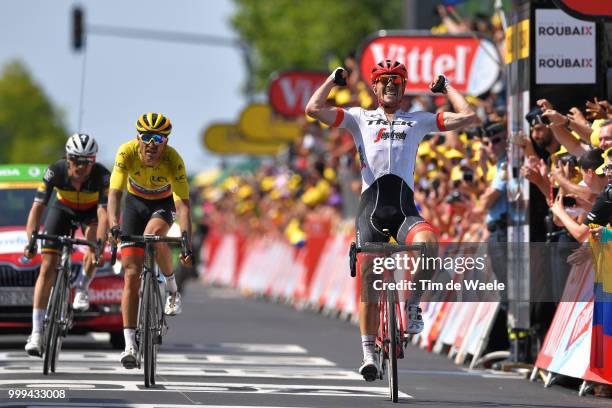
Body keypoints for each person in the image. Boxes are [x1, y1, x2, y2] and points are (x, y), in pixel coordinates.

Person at [305, 60, 475, 380]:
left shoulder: (418, 121)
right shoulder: (359, 118)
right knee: (370, 278)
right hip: (371, 211)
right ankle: (368, 353)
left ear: (404, 86)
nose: (390, 86)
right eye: (383, 81)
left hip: (404, 213)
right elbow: (313, 109)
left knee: (429, 244)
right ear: (374, 87)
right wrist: (332, 79)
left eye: (396, 80)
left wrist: (447, 87)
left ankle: (411, 306)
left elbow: (468, 116)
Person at [107, 112, 193, 368]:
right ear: (138, 137)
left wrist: (186, 239)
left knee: (153, 237)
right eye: (146, 137)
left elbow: (184, 206)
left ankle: (171, 287)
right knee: (131, 275)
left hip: (163, 204)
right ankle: (129, 344)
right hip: (134, 204)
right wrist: (113, 225)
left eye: (159, 138)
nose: (152, 144)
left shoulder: (173, 160)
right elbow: (114, 195)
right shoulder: (126, 153)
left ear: (166, 141)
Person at [23, 134, 109, 356]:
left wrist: (99, 245)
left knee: (94, 242)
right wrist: (30, 239)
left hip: (91, 213)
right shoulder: (55, 171)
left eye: (87, 161)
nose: (81, 167)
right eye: (76, 160)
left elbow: (103, 213)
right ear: (67, 158)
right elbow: (38, 208)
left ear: (94, 161)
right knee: (47, 267)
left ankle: (82, 286)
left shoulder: (102, 176)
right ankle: (37, 332)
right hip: (63, 210)